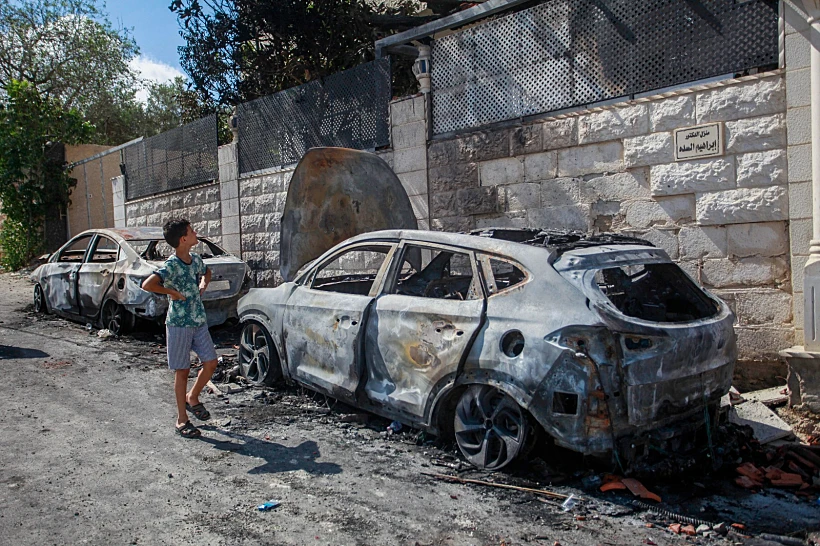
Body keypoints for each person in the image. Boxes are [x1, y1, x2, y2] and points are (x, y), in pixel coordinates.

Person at [142, 218, 217, 438]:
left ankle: (192, 397)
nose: (196, 233)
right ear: (184, 239)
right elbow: (148, 284)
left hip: (198, 320)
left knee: (211, 362)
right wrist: (173, 293)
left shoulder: (194, 259)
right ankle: (182, 420)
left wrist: (204, 283)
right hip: (178, 324)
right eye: (192, 231)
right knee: (182, 371)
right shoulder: (172, 265)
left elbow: (207, 271)